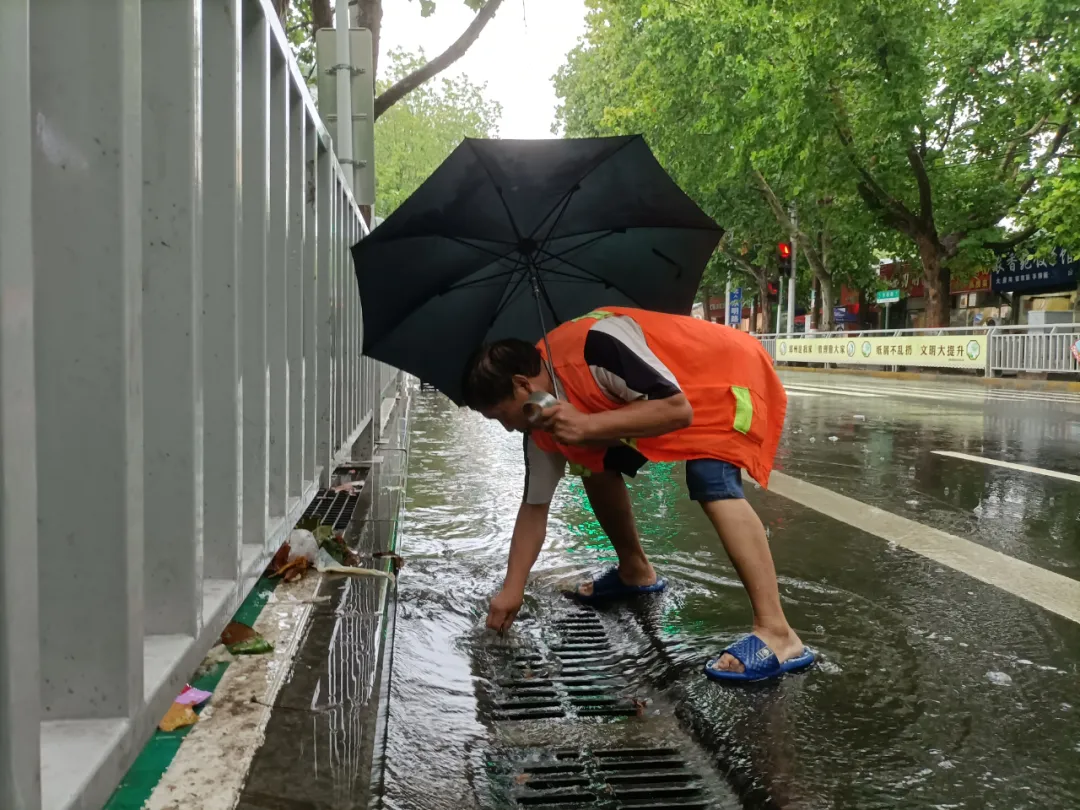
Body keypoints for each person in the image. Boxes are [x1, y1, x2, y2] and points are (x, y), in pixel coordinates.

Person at [461, 306, 815, 682]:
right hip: (659, 400)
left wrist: (588, 424)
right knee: (590, 463)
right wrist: (511, 590)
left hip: (722, 376)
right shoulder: (541, 421)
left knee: (710, 477)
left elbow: (676, 409)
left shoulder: (599, 345)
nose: (506, 429)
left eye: (502, 416)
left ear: (521, 385)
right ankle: (635, 571)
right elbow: (534, 508)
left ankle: (778, 634)